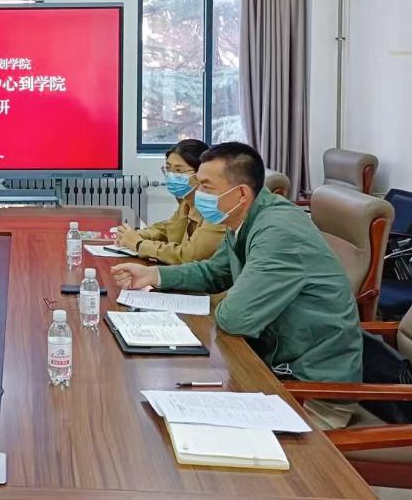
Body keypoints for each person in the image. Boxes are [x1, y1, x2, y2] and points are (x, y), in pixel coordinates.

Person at [112, 142, 362, 426]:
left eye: (206, 187)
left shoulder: (278, 231)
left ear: (241, 193)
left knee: (174, 423)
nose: (197, 193)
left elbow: (235, 318)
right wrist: (155, 276)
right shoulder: (245, 217)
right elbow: (214, 272)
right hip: (269, 363)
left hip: (309, 390)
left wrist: (213, 302)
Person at [116, 139, 225, 264]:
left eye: (178, 170)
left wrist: (139, 244)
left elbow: (188, 255)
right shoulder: (186, 202)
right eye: (168, 169)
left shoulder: (215, 209)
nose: (171, 176)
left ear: (201, 173)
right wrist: (134, 235)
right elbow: (167, 229)